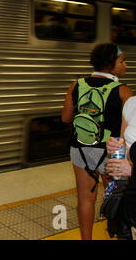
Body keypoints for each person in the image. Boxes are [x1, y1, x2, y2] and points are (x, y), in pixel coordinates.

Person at [61, 43, 133, 240]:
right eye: (122, 61)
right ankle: (118, 234)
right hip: (111, 153)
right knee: (115, 197)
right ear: (110, 64)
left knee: (85, 199)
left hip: (80, 149)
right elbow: (130, 132)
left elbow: (66, 118)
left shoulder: (76, 84)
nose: (125, 65)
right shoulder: (123, 91)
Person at [105, 96, 136, 240]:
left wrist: (132, 170)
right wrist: (113, 147)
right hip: (131, 196)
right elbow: (123, 144)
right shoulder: (131, 103)